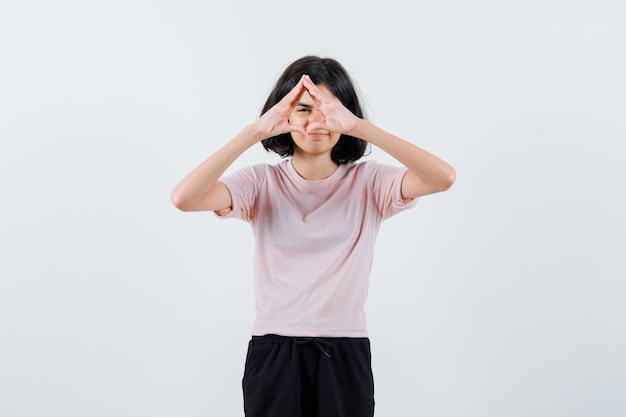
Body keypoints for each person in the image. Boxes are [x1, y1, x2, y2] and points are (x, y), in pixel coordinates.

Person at [170, 55, 456, 417]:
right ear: (284, 114)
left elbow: (442, 177)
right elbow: (184, 198)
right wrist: (255, 131)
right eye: (304, 108)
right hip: (273, 350)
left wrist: (362, 129)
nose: (317, 121)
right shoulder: (261, 182)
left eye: (330, 109)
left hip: (344, 349)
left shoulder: (369, 182)